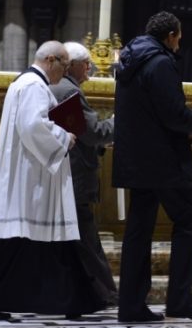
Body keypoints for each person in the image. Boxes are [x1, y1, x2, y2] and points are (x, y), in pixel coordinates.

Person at [0, 41, 107, 320]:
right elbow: (33, 125)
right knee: (26, 240)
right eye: (64, 66)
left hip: (27, 173)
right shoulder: (33, 86)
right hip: (31, 177)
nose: (64, 72)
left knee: (20, 242)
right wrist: (65, 137)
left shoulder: (25, 83)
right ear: (51, 60)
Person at [112, 11, 192, 322]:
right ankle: (180, 302)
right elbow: (173, 115)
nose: (179, 44)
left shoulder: (129, 61)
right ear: (170, 36)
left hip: (137, 160)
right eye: (179, 38)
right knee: (188, 222)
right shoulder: (160, 63)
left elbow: (148, 114)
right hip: (164, 162)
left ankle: (130, 306)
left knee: (138, 231)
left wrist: (188, 127)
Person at [50, 41, 117, 303]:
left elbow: (75, 132)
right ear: (72, 65)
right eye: (86, 63)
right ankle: (105, 294)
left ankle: (81, 293)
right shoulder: (69, 90)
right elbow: (92, 133)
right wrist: (117, 122)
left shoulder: (57, 87)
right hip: (74, 176)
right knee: (87, 241)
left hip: (64, 172)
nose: (90, 68)